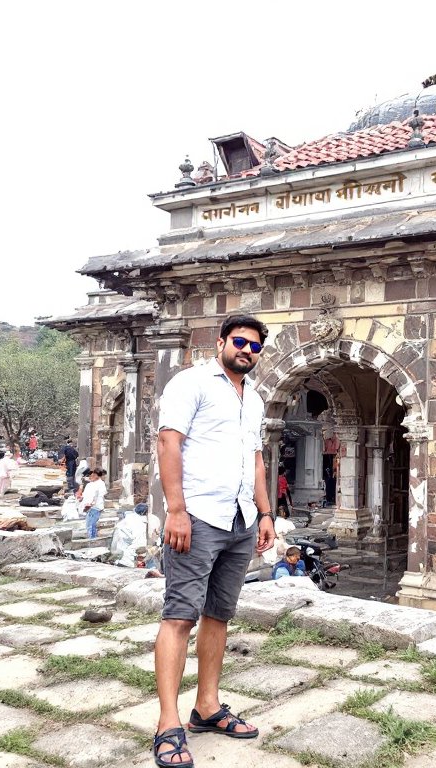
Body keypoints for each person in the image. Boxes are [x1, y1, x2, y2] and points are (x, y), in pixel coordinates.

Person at [151, 314, 275, 768]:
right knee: (180, 616)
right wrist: (176, 510)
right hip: (198, 515)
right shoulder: (192, 383)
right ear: (221, 341)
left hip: (241, 519)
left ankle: (207, 706)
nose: (246, 350)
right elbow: (169, 442)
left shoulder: (255, 398)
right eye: (240, 342)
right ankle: (168, 723)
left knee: (218, 615)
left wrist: (264, 513)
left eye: (255, 346)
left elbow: (256, 459)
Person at [82, 468, 107, 539]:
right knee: (90, 524)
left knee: (91, 525)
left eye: (93, 474)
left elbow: (97, 495)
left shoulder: (100, 484)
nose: (91, 476)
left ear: (97, 475)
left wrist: (91, 503)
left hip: (95, 507)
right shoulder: (91, 484)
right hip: (92, 507)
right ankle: (92, 538)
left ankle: (92, 539)